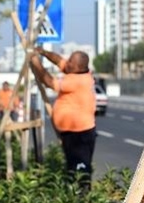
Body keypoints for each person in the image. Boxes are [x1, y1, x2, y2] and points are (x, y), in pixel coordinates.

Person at [30, 47, 96, 189]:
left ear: (78, 66)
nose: (67, 62)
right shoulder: (78, 71)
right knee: (72, 163)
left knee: (80, 166)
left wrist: (36, 62)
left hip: (79, 132)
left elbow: (48, 82)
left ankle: (82, 196)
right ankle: (75, 192)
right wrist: (44, 53)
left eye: (71, 61)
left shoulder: (77, 80)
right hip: (72, 131)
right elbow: (59, 60)